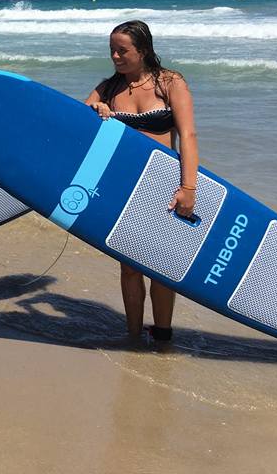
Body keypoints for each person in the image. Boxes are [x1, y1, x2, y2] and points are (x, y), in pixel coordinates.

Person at [84, 20, 198, 344]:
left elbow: (188, 135)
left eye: (123, 50)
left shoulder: (170, 83)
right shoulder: (108, 88)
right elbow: (75, 124)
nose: (116, 57)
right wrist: (96, 110)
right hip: (121, 188)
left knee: (161, 267)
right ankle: (133, 335)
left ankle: (162, 335)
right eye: (112, 51)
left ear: (143, 50)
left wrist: (188, 187)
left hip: (163, 185)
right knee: (130, 267)